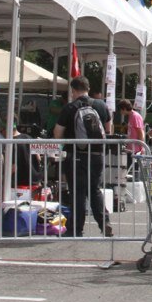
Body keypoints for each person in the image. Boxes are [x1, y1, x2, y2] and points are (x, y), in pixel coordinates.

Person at [54, 77, 113, 237]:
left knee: (78, 192)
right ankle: (105, 222)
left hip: (76, 155)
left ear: (73, 90)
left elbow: (58, 133)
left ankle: (75, 229)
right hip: (97, 155)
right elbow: (108, 129)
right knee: (95, 190)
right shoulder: (101, 105)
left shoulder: (70, 107)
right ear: (88, 88)